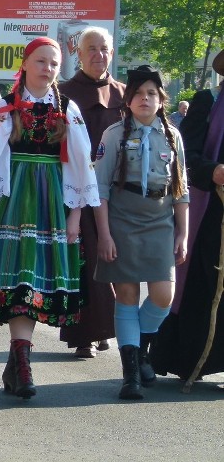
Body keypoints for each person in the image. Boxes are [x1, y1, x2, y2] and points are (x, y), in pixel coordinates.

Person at [0, 37, 98, 398]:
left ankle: (18, 362)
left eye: (54, 63)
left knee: (37, 284)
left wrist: (75, 216)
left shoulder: (68, 109)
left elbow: (83, 169)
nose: (48, 68)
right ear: (24, 64)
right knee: (21, 283)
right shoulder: (6, 107)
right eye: (41, 61)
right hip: (14, 199)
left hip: (52, 202)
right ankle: (21, 363)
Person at [92, 65, 188, 399]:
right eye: (138, 93)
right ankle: (130, 372)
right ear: (128, 99)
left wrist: (182, 233)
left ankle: (141, 347)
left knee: (164, 295)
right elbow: (100, 189)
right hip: (122, 220)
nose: (144, 99)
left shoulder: (172, 136)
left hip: (160, 221)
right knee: (128, 295)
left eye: (152, 93)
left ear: (162, 100)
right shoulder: (114, 135)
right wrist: (104, 234)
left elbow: (181, 190)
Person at [151, 52, 224, 383]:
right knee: (207, 285)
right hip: (213, 211)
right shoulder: (208, 102)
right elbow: (187, 158)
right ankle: (194, 360)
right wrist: (215, 171)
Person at [57, 27, 122, 358]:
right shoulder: (63, 94)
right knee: (84, 264)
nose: (99, 55)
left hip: (119, 196)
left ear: (112, 52)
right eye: (91, 49)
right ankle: (83, 334)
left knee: (115, 262)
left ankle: (109, 327)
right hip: (79, 192)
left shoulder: (125, 93)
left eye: (105, 49)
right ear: (78, 54)